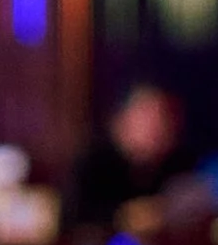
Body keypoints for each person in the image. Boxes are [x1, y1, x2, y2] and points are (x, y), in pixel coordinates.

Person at [68, 77, 190, 235]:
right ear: (122, 120)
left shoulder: (179, 166)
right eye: (147, 117)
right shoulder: (93, 164)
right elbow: (75, 220)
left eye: (163, 119)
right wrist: (126, 217)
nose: (157, 128)